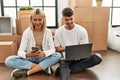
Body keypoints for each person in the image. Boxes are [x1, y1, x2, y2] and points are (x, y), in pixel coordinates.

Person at [5, 9, 61, 78]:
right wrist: (27, 54)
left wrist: (44, 53)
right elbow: (19, 52)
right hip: (30, 59)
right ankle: (43, 68)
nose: (37, 22)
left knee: (58, 55)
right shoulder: (27, 32)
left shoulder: (48, 32)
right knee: (8, 60)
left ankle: (28, 71)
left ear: (43, 20)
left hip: (43, 58)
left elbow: (53, 49)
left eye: (40, 20)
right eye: (35, 20)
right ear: (31, 20)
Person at [54, 7, 102, 80]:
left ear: (74, 17)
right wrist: (68, 49)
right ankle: (65, 69)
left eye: (71, 19)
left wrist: (80, 53)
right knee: (64, 64)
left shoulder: (82, 30)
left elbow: (84, 47)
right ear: (63, 18)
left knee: (97, 58)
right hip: (66, 58)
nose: (69, 22)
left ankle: (63, 70)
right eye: (66, 20)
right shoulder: (58, 32)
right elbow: (57, 48)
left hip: (80, 57)